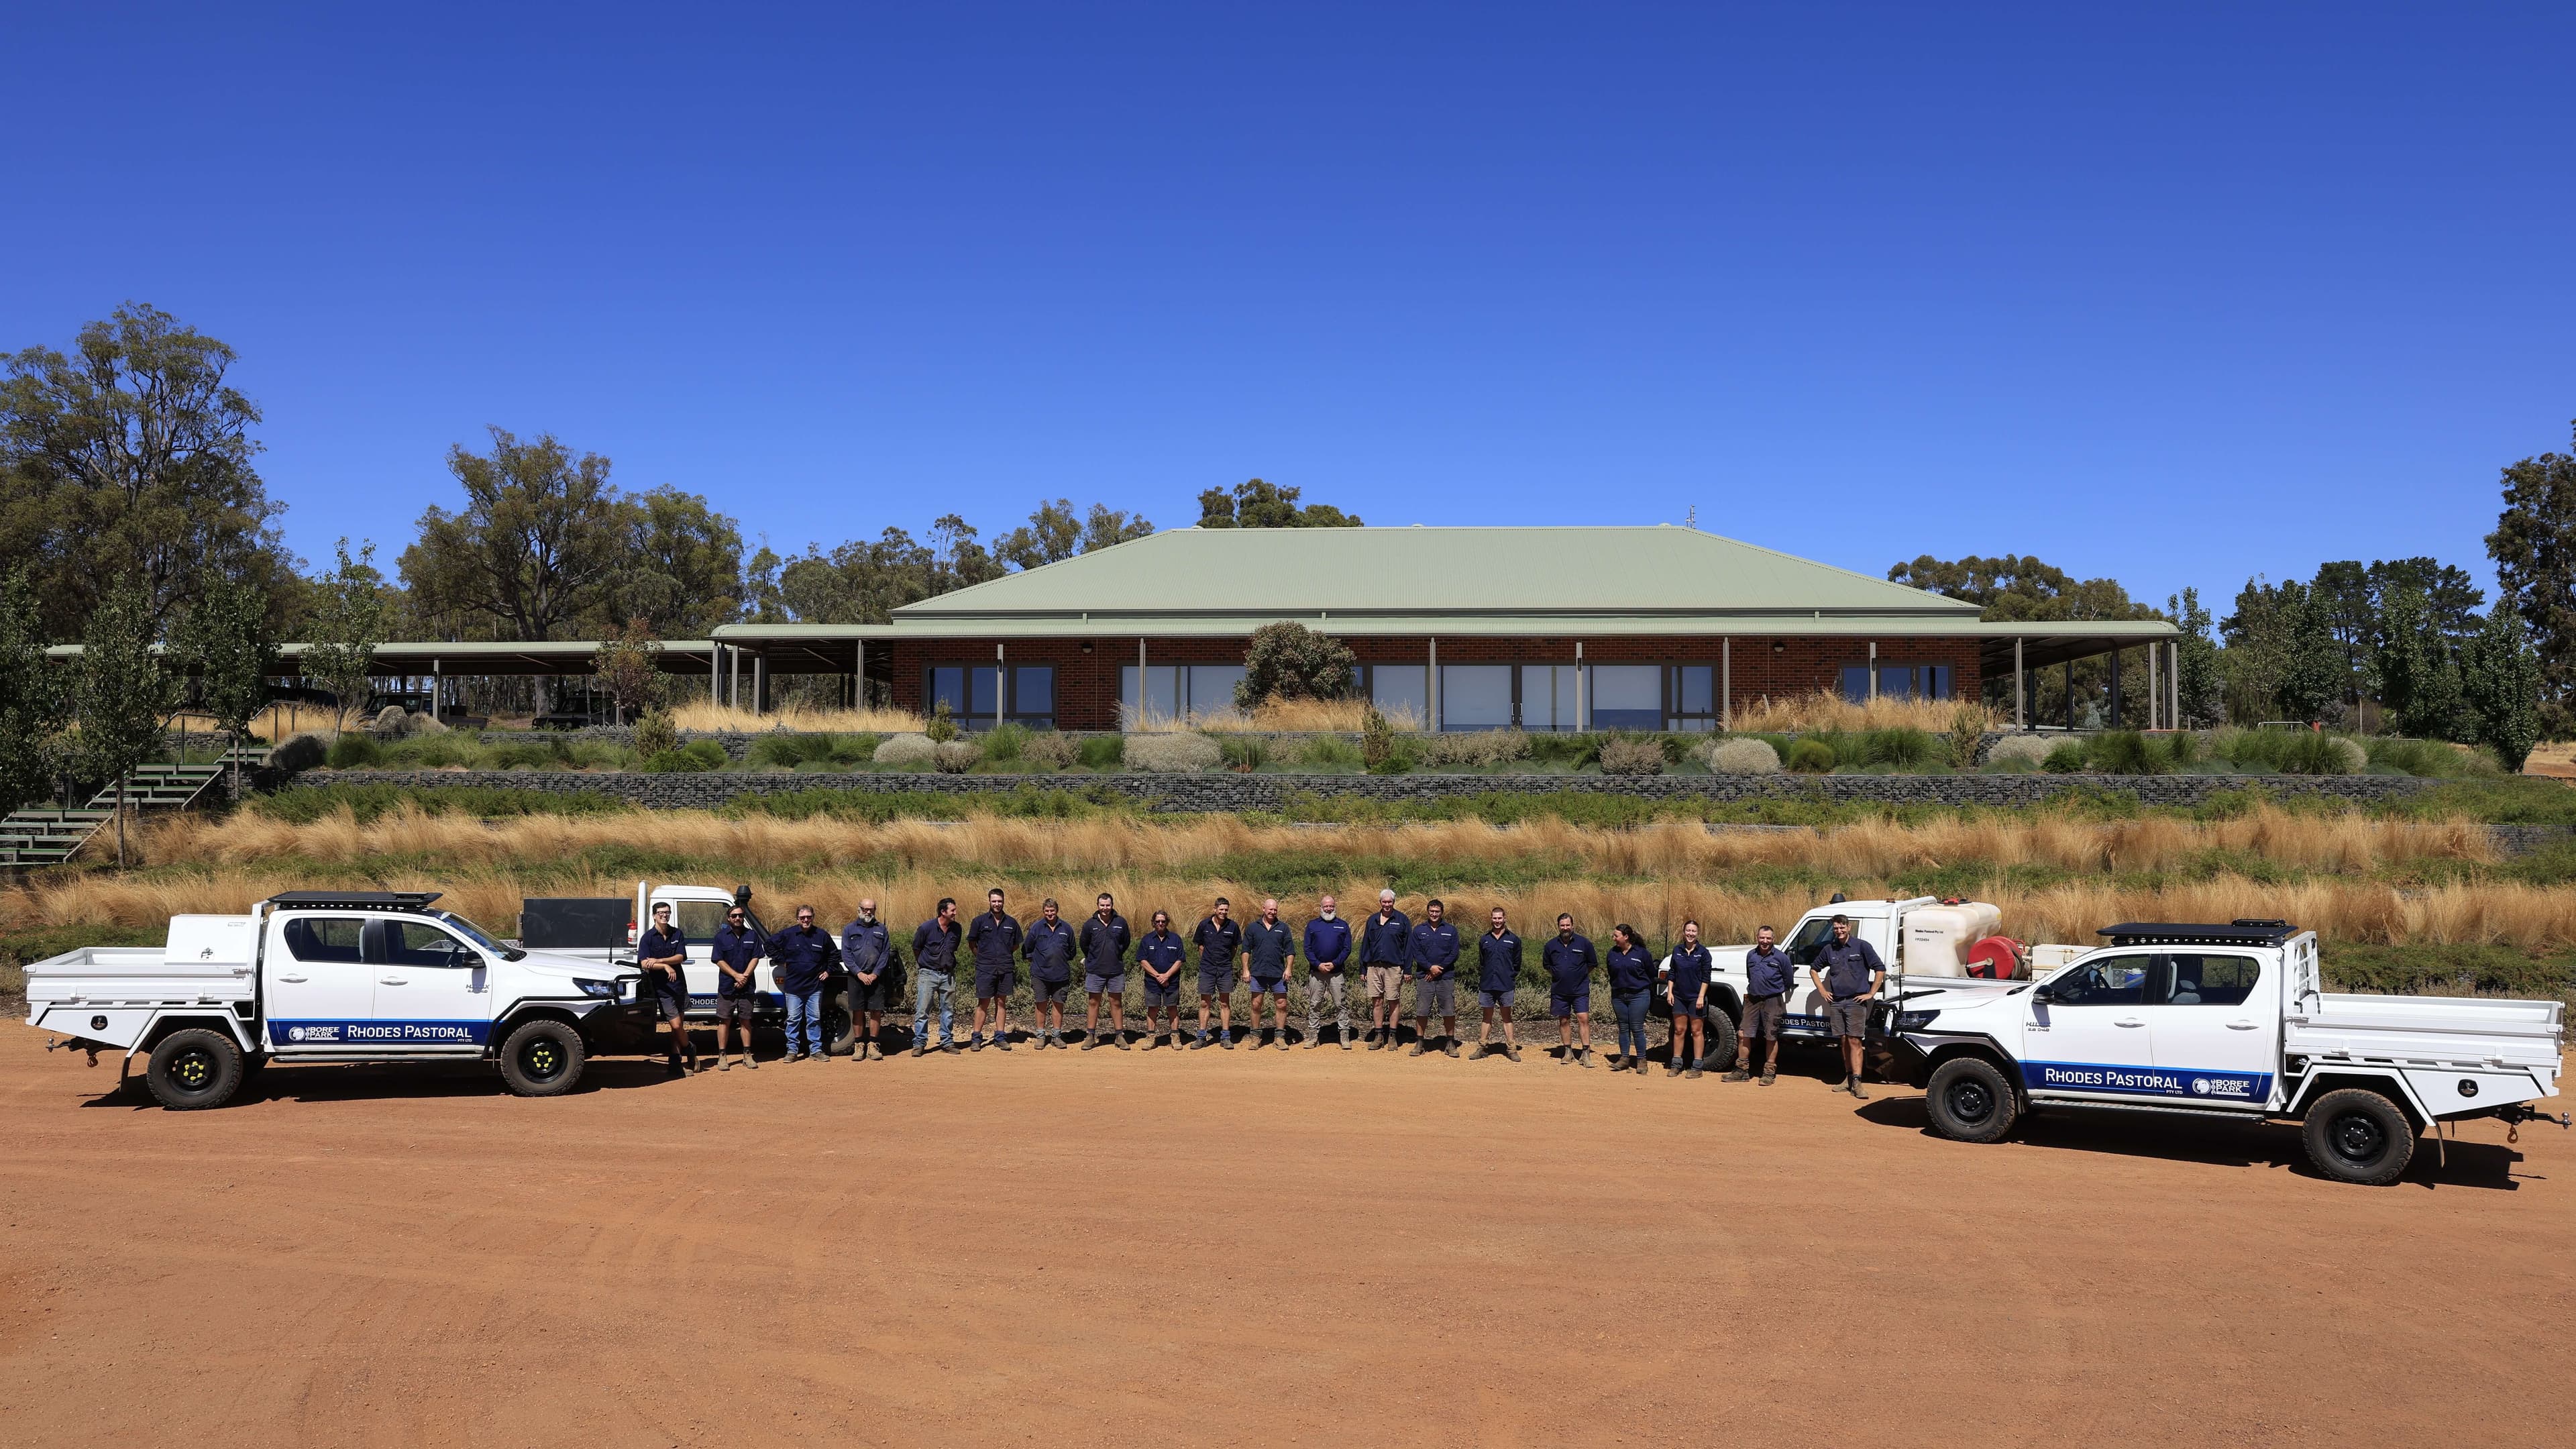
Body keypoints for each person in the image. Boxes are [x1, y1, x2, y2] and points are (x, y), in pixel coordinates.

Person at [1809, 913, 1885, 1098]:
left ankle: (1858, 1083)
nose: (1839, 931)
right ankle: (1848, 1078)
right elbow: (1813, 969)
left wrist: (1871, 993)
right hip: (1837, 1002)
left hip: (1856, 1001)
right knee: (1843, 1040)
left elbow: (1880, 969)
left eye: (1842, 927)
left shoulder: (1862, 946)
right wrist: (1822, 991)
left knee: (1855, 1040)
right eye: (1836, 928)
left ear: (1849, 927)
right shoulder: (1829, 949)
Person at [769, 904, 841, 1064]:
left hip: (815, 987)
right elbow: (769, 945)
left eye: (809, 917)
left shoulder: (822, 935)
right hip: (794, 987)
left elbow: (834, 955)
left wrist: (828, 971)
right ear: (797, 919)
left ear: (813, 917)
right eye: (803, 918)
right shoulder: (788, 934)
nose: (806, 920)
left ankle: (816, 1050)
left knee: (814, 1018)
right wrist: (783, 961)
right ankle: (792, 1051)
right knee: (793, 1019)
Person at [637, 900, 699, 1076]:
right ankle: (689, 1048)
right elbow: (644, 963)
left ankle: (675, 1060)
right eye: (661, 913)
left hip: (679, 986)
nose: (665, 915)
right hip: (662, 989)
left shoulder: (677, 933)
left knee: (676, 1028)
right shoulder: (648, 938)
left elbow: (680, 957)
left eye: (667, 912)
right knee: (676, 1025)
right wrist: (664, 967)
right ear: (654, 915)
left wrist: (660, 961)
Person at [1725, 924, 1791, 1085]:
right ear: (1757, 937)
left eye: (1768, 938)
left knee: (1771, 1036)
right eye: (1762, 938)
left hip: (1773, 1000)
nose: (1765, 941)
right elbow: (1750, 976)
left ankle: (1769, 1072)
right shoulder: (1751, 955)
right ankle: (1742, 1070)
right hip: (1753, 1000)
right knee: (1743, 1034)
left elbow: (1788, 980)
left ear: (1773, 939)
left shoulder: (1781, 958)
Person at [840, 898, 900, 1063]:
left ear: (875, 910)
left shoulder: (881, 929)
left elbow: (885, 954)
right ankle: (859, 1046)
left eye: (871, 909)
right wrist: (859, 973)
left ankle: (873, 1045)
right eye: (865, 909)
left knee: (876, 1011)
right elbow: (846, 955)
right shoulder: (849, 929)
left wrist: (875, 973)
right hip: (856, 977)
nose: (868, 912)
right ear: (859, 909)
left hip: (876, 978)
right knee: (858, 1011)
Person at [967, 888, 1023, 1052]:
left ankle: (1000, 1037)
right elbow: (972, 943)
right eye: (994, 901)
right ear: (989, 902)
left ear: (1003, 901)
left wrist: (1003, 955)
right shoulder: (979, 921)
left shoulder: (1012, 923)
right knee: (983, 1003)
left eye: (999, 901)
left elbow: (1016, 945)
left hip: (1005, 968)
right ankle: (976, 1038)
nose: (997, 904)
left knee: (1001, 1002)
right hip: (985, 968)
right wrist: (983, 957)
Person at [708, 901, 762, 1071]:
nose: (738, 918)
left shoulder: (752, 936)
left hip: (747, 986)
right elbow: (718, 959)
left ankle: (747, 1055)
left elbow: (756, 957)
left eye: (740, 915)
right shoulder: (720, 937)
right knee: (724, 1021)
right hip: (727, 985)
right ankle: (722, 1056)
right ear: (728, 918)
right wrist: (736, 975)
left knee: (746, 1021)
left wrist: (745, 975)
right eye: (734, 916)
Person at [1406, 898, 1460, 1058]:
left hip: (1446, 977)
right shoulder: (1418, 930)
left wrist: (1438, 970)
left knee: (1449, 1011)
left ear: (1442, 912)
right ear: (1428, 912)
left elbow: (1454, 953)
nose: (1434, 914)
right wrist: (1430, 968)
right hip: (1425, 976)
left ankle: (1450, 1043)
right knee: (1422, 1011)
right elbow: (1416, 952)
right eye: (1432, 911)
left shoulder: (1451, 930)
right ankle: (1420, 1043)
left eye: (1437, 912)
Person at [1542, 913, 1599, 1067]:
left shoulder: (1584, 943)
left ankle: (1586, 1054)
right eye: (1562, 925)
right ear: (1558, 926)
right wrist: (1560, 975)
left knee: (1583, 1019)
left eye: (1568, 925)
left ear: (1573, 926)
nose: (1565, 928)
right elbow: (1547, 965)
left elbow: (1592, 963)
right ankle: (1568, 1053)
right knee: (1564, 1020)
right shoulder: (1551, 945)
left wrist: (1579, 975)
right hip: (1559, 991)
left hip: (1580, 990)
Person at [1358, 890, 1411, 1051]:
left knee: (1394, 1001)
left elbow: (1408, 946)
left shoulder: (1402, 920)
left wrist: (1407, 969)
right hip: (1374, 967)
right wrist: (1363, 967)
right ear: (1380, 902)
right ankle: (1379, 1035)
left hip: (1394, 967)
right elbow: (1365, 944)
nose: (1387, 905)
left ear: (1394, 902)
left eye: (1390, 902)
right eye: (1384, 902)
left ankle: (1393, 1036)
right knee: (1377, 1001)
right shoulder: (1372, 920)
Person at [1659, 919, 1713, 1079]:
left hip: (1696, 998)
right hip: (1680, 997)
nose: (1691, 934)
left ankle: (1697, 1066)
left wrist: (1701, 996)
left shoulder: (1703, 953)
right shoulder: (1677, 950)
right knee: (1679, 1030)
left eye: (1694, 931)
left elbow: (1706, 977)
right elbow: (1672, 973)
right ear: (1684, 932)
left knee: (1697, 1031)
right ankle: (1676, 1064)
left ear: (1698, 933)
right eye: (1688, 931)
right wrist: (1670, 992)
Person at [1080, 892, 1134, 1051]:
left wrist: (1115, 955)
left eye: (1108, 905)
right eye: (1102, 905)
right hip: (1095, 970)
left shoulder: (1121, 922)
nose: (1105, 908)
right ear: (1098, 906)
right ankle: (1090, 1035)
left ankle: (1119, 1036)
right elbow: (1084, 945)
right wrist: (1094, 958)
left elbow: (1126, 942)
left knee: (1116, 1002)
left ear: (1112, 905)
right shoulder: (1090, 925)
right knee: (1093, 1002)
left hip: (1115, 970)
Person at [910, 897, 963, 1057]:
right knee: (922, 1010)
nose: (955, 913)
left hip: (948, 975)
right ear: (943, 912)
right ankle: (919, 1043)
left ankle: (947, 1041)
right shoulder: (926, 928)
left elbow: (954, 949)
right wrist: (924, 965)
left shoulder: (957, 929)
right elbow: (916, 948)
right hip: (928, 974)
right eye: (952, 910)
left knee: (948, 1010)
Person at [1301, 894, 1354, 1050]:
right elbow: (1307, 948)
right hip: (1317, 972)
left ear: (1335, 907)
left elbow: (1347, 948)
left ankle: (1344, 1037)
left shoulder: (1343, 925)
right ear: (1321, 908)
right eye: (1326, 906)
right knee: (1315, 1004)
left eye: (1331, 906)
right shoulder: (1312, 925)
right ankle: (1313, 1037)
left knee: (1340, 1004)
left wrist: (1335, 963)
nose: (1329, 909)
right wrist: (1318, 965)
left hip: (1336, 972)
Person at [1472, 906, 1524, 1062]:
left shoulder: (1513, 939)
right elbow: (1482, 962)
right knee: (1486, 1017)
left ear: (1505, 918)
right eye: (1494, 918)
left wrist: (1509, 976)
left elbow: (1517, 963)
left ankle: (1512, 1049)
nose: (1497, 921)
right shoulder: (1484, 939)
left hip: (1506, 985)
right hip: (1487, 984)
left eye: (1500, 918)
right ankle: (1482, 1047)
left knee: (1507, 1017)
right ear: (1491, 919)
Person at [1242, 898, 1297, 1050]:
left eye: (1275, 910)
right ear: (1263, 909)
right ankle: (1255, 1038)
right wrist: (1246, 969)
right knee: (1256, 1004)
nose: (1273, 912)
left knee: (1282, 1004)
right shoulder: (1253, 927)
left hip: (1278, 974)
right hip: (1258, 973)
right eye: (1270, 909)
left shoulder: (1283, 928)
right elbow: (1246, 950)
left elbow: (1290, 951)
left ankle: (1279, 1038)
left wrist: (1289, 968)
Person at [1022, 898, 1076, 1049]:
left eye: (1052, 911)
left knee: (1058, 1004)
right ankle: (1040, 1036)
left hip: (1061, 974)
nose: (1050, 913)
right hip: (1040, 974)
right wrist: (1036, 962)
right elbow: (1027, 948)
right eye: (1047, 911)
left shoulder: (1066, 928)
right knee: (1041, 1004)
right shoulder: (1036, 928)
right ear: (1043, 912)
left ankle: (1056, 1036)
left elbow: (1072, 951)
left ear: (1057, 911)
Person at [1602, 924, 1656, 1073]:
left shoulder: (1642, 953)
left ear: (1626, 937)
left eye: (1616, 936)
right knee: (1623, 1027)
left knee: (1637, 1027)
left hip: (1639, 995)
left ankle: (1641, 1061)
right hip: (1619, 996)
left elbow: (1651, 973)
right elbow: (1611, 972)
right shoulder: (1612, 953)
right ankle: (1624, 1059)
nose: (1614, 938)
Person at [1190, 897, 1243, 1049]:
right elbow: (1201, 947)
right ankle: (1201, 1036)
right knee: (1204, 1002)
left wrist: (1226, 961)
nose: (1224, 912)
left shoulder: (1233, 926)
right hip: (1207, 969)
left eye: (1226, 910)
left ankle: (1225, 1037)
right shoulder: (1204, 925)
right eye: (1221, 909)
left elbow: (1234, 948)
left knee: (1225, 1003)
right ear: (1215, 909)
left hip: (1225, 969)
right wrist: (1208, 961)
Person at [1136, 910, 1187, 1047]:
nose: (1160, 923)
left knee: (1172, 1007)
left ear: (1167, 922)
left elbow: (1180, 960)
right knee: (1153, 1008)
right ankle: (1151, 1037)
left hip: (1171, 981)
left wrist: (1167, 975)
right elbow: (1142, 960)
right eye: (1158, 921)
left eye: (1163, 921)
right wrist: (1158, 976)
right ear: (1153, 923)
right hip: (1152, 982)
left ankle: (1175, 1036)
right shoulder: (1147, 940)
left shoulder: (1176, 939)